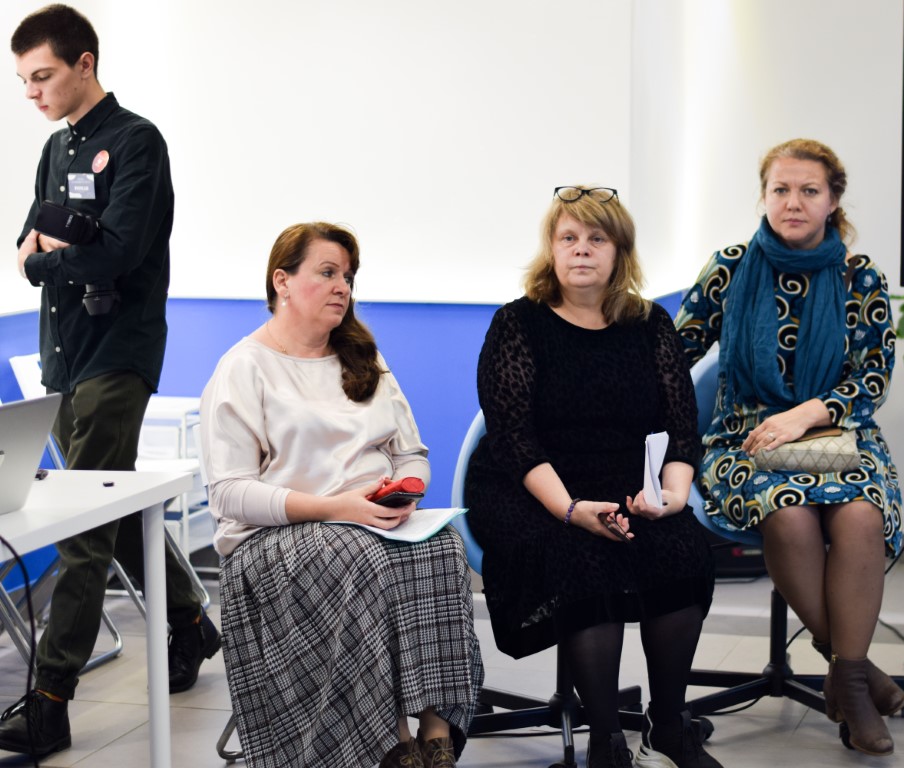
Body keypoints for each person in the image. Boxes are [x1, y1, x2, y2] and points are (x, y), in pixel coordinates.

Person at [0, 5, 218, 758]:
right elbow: (26, 242)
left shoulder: (136, 142)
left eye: (43, 76)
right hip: (62, 357)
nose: (32, 93)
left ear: (84, 64)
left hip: (117, 355)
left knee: (84, 526)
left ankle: (50, 698)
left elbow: (118, 253)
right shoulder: (55, 147)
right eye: (24, 81)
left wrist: (47, 258)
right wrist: (51, 255)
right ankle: (191, 622)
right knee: (114, 504)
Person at [199, 222, 482, 768]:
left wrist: (405, 491)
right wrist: (337, 508)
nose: (342, 288)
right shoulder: (244, 368)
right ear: (282, 281)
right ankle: (390, 741)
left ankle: (437, 734)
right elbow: (230, 494)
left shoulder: (363, 357)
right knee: (358, 557)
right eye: (328, 273)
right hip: (275, 537)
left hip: (365, 520)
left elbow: (412, 453)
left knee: (443, 549)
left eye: (348, 277)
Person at [464, 186, 722, 768]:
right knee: (584, 559)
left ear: (619, 252)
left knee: (683, 552)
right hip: (532, 486)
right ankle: (605, 740)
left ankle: (669, 726)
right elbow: (513, 438)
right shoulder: (517, 323)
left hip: (628, 482)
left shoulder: (651, 324)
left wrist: (672, 497)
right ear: (551, 249)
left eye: (597, 238)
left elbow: (681, 427)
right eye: (569, 237)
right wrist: (570, 509)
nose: (582, 249)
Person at [674, 139, 904, 757]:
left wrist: (806, 413)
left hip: (835, 434)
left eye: (809, 191)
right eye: (781, 189)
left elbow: (874, 377)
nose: (793, 202)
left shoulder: (860, 277)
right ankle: (855, 677)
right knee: (789, 512)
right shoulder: (729, 267)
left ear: (833, 201)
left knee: (860, 515)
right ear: (764, 197)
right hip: (745, 438)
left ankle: (847, 677)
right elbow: (673, 356)